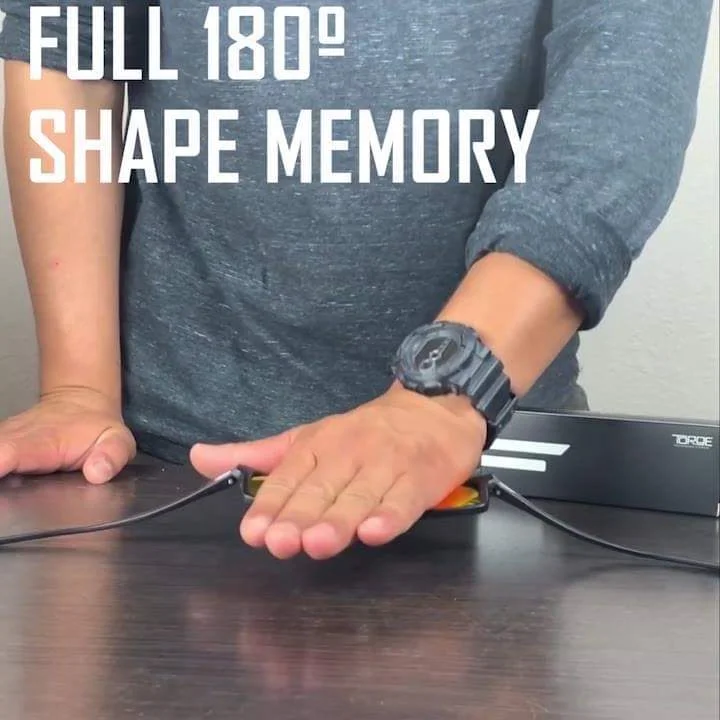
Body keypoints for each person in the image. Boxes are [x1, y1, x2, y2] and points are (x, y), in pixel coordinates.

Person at [0, 1, 713, 560]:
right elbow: (67, 39)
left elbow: (621, 94)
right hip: (166, 475)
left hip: (490, 470)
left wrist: (445, 394)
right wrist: (78, 391)